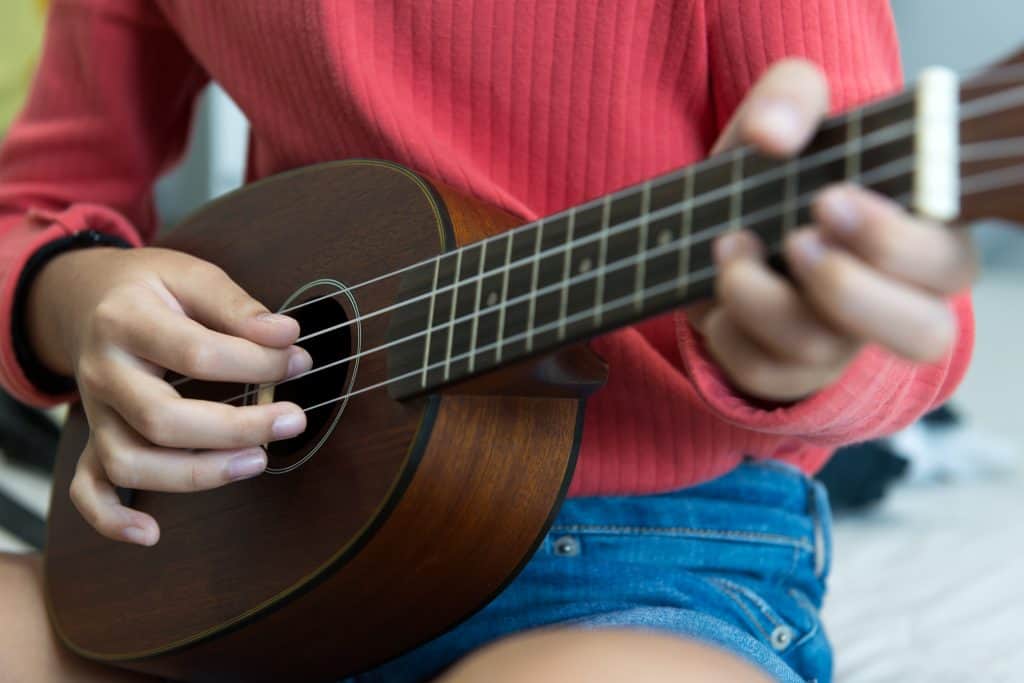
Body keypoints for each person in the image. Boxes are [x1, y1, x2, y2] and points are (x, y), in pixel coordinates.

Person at [0, 2, 975, 682]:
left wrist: (805, 348)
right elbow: (26, 207)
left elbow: (903, 302)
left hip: (643, 557)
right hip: (253, 545)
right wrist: (70, 292)